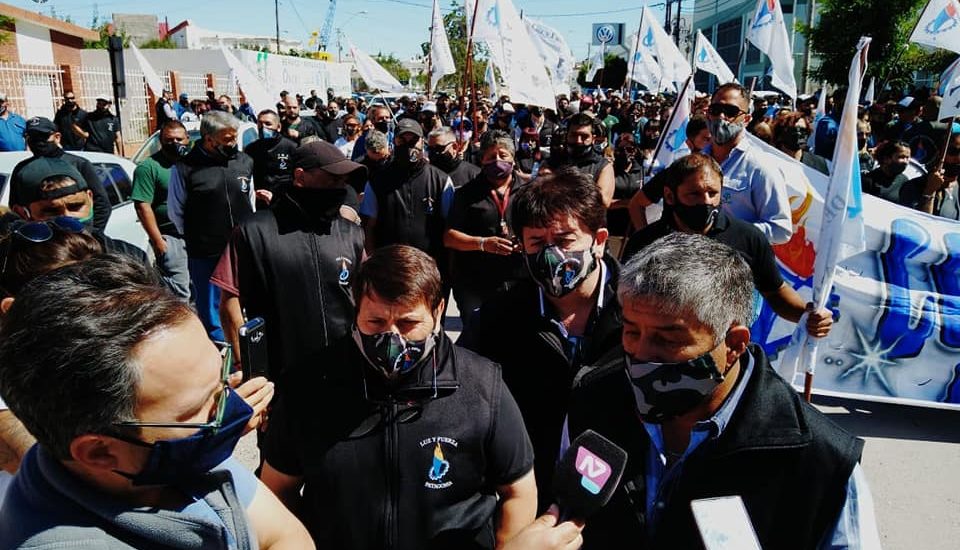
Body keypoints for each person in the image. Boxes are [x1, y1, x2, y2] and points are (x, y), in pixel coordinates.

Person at [567, 232, 878, 549]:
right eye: (632, 331)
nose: (641, 354)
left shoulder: (819, 461)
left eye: (668, 339)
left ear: (733, 344)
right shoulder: (594, 399)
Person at [0, 254, 312, 549]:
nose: (229, 404)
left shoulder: (154, 456)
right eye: (199, 408)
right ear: (99, 451)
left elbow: (285, 535)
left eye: (221, 377)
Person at [260, 244, 537, 549]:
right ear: (356, 311)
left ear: (438, 311)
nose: (392, 340)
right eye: (375, 323)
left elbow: (518, 489)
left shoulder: (483, 386)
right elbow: (275, 491)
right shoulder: (309, 387)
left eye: (408, 324)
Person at [459, 168, 622, 513]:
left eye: (564, 241)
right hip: (530, 497)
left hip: (619, 501)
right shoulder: (497, 318)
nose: (551, 256)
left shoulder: (641, 313)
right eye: (537, 243)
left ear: (600, 239)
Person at [623, 153, 833, 337]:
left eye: (712, 193)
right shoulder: (646, 243)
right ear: (670, 196)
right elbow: (624, 303)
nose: (705, 202)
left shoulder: (748, 238)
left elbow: (776, 292)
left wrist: (808, 315)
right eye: (694, 194)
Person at [213, 140, 366, 387]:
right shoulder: (253, 231)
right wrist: (248, 367)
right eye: (332, 179)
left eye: (344, 181)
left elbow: (365, 296)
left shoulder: (350, 233)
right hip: (281, 376)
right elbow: (230, 302)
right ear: (300, 177)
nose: (341, 187)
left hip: (345, 369)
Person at [631, 83, 793, 245]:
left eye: (731, 112)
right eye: (715, 110)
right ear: (708, 114)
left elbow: (780, 230)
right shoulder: (692, 162)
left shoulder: (761, 167)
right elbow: (639, 203)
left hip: (735, 264)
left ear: (746, 119)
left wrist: (728, 234)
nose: (721, 117)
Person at [168, 111, 256, 341]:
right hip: (205, 250)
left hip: (241, 246)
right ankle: (219, 347)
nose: (233, 144)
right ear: (209, 139)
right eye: (227, 140)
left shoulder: (244, 162)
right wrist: (198, 235)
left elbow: (250, 199)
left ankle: (245, 347)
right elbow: (176, 211)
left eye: (234, 138)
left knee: (245, 300)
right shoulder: (185, 168)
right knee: (211, 307)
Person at [444, 130, 526, 321]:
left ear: (513, 159)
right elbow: (449, 237)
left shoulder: (528, 191)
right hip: (476, 283)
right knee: (477, 341)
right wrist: (482, 243)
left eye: (503, 155)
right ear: (482, 160)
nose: (497, 160)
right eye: (491, 156)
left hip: (519, 280)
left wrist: (526, 242)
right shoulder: (465, 194)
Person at [359, 118, 454, 267]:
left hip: (429, 267)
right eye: (402, 140)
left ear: (422, 142)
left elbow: (450, 226)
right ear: (394, 142)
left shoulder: (440, 180)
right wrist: (371, 262)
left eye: (413, 140)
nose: (408, 145)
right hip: (389, 266)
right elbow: (368, 225)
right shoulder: (377, 181)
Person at [10, 116, 112, 231]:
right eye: (32, 137)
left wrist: (90, 234)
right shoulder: (22, 170)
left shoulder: (79, 164)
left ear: (57, 137)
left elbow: (102, 204)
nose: (38, 142)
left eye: (43, 137)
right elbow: (15, 207)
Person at [131, 120, 192, 299]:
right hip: (171, 237)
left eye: (179, 139)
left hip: (197, 236)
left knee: (202, 287)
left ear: (187, 139)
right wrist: (158, 241)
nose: (175, 144)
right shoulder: (149, 167)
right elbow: (142, 206)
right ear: (160, 140)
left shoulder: (193, 163)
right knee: (179, 291)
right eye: (169, 139)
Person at [543, 113, 614, 206]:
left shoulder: (603, 166)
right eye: (574, 135)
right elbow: (543, 194)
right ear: (567, 135)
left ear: (593, 138)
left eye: (584, 136)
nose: (578, 141)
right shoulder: (553, 162)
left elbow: (603, 202)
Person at [900, 130, 960, 220]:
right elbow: (917, 225)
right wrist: (929, 191)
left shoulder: (957, 189)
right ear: (940, 154)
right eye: (953, 152)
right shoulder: (913, 187)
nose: (958, 158)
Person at [244, 109, 298, 206]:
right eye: (260, 124)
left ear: (278, 127)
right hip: (260, 201)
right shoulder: (251, 149)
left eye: (268, 124)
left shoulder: (291, 147)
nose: (263, 127)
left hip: (285, 201)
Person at [772, 110, 830, 176]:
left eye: (803, 130)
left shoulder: (819, 163)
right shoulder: (770, 158)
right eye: (794, 129)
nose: (799, 133)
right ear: (782, 131)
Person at [862, 140, 911, 205]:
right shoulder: (868, 181)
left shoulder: (904, 181)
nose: (905, 162)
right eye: (901, 157)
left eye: (907, 158)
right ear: (886, 159)